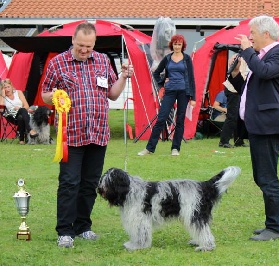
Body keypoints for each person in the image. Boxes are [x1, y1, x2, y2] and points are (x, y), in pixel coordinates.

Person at [41, 22, 133, 248]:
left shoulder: (102, 60)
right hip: (71, 135)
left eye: (89, 46)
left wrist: (123, 77)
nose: (84, 49)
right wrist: (54, 96)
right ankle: (64, 230)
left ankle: (83, 226)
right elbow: (44, 94)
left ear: (94, 44)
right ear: (73, 40)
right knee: (69, 183)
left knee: (90, 183)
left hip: (98, 132)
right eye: (81, 45)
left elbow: (112, 93)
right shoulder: (57, 63)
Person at [235, 15, 279, 241]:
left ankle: (276, 227)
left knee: (267, 178)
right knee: (262, 177)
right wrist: (238, 73)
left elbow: (264, 72)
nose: (250, 38)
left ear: (266, 34)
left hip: (269, 126)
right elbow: (254, 87)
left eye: (253, 34)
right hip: (259, 125)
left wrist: (248, 52)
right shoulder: (261, 57)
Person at [138, 34, 196, 156]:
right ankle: (149, 148)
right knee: (161, 119)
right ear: (172, 45)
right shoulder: (167, 58)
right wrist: (162, 82)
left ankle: (175, 148)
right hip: (169, 91)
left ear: (182, 46)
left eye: (179, 44)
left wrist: (193, 97)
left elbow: (191, 78)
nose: (177, 46)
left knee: (180, 120)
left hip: (183, 92)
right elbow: (156, 73)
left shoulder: (187, 59)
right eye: (175, 44)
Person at [219, 54, 248, 148]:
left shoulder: (250, 56)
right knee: (232, 116)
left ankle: (239, 139)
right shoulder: (237, 57)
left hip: (241, 89)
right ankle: (223, 141)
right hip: (233, 89)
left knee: (240, 115)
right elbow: (232, 70)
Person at [0, 78, 38, 144]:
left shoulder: (19, 92)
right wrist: (3, 95)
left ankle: (21, 140)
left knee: (21, 114)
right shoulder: (2, 97)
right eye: (5, 88)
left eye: (8, 87)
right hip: (11, 116)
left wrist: (19, 108)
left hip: (23, 114)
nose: (7, 89)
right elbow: (1, 109)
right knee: (22, 111)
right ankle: (30, 130)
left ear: (12, 86)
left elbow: (27, 106)